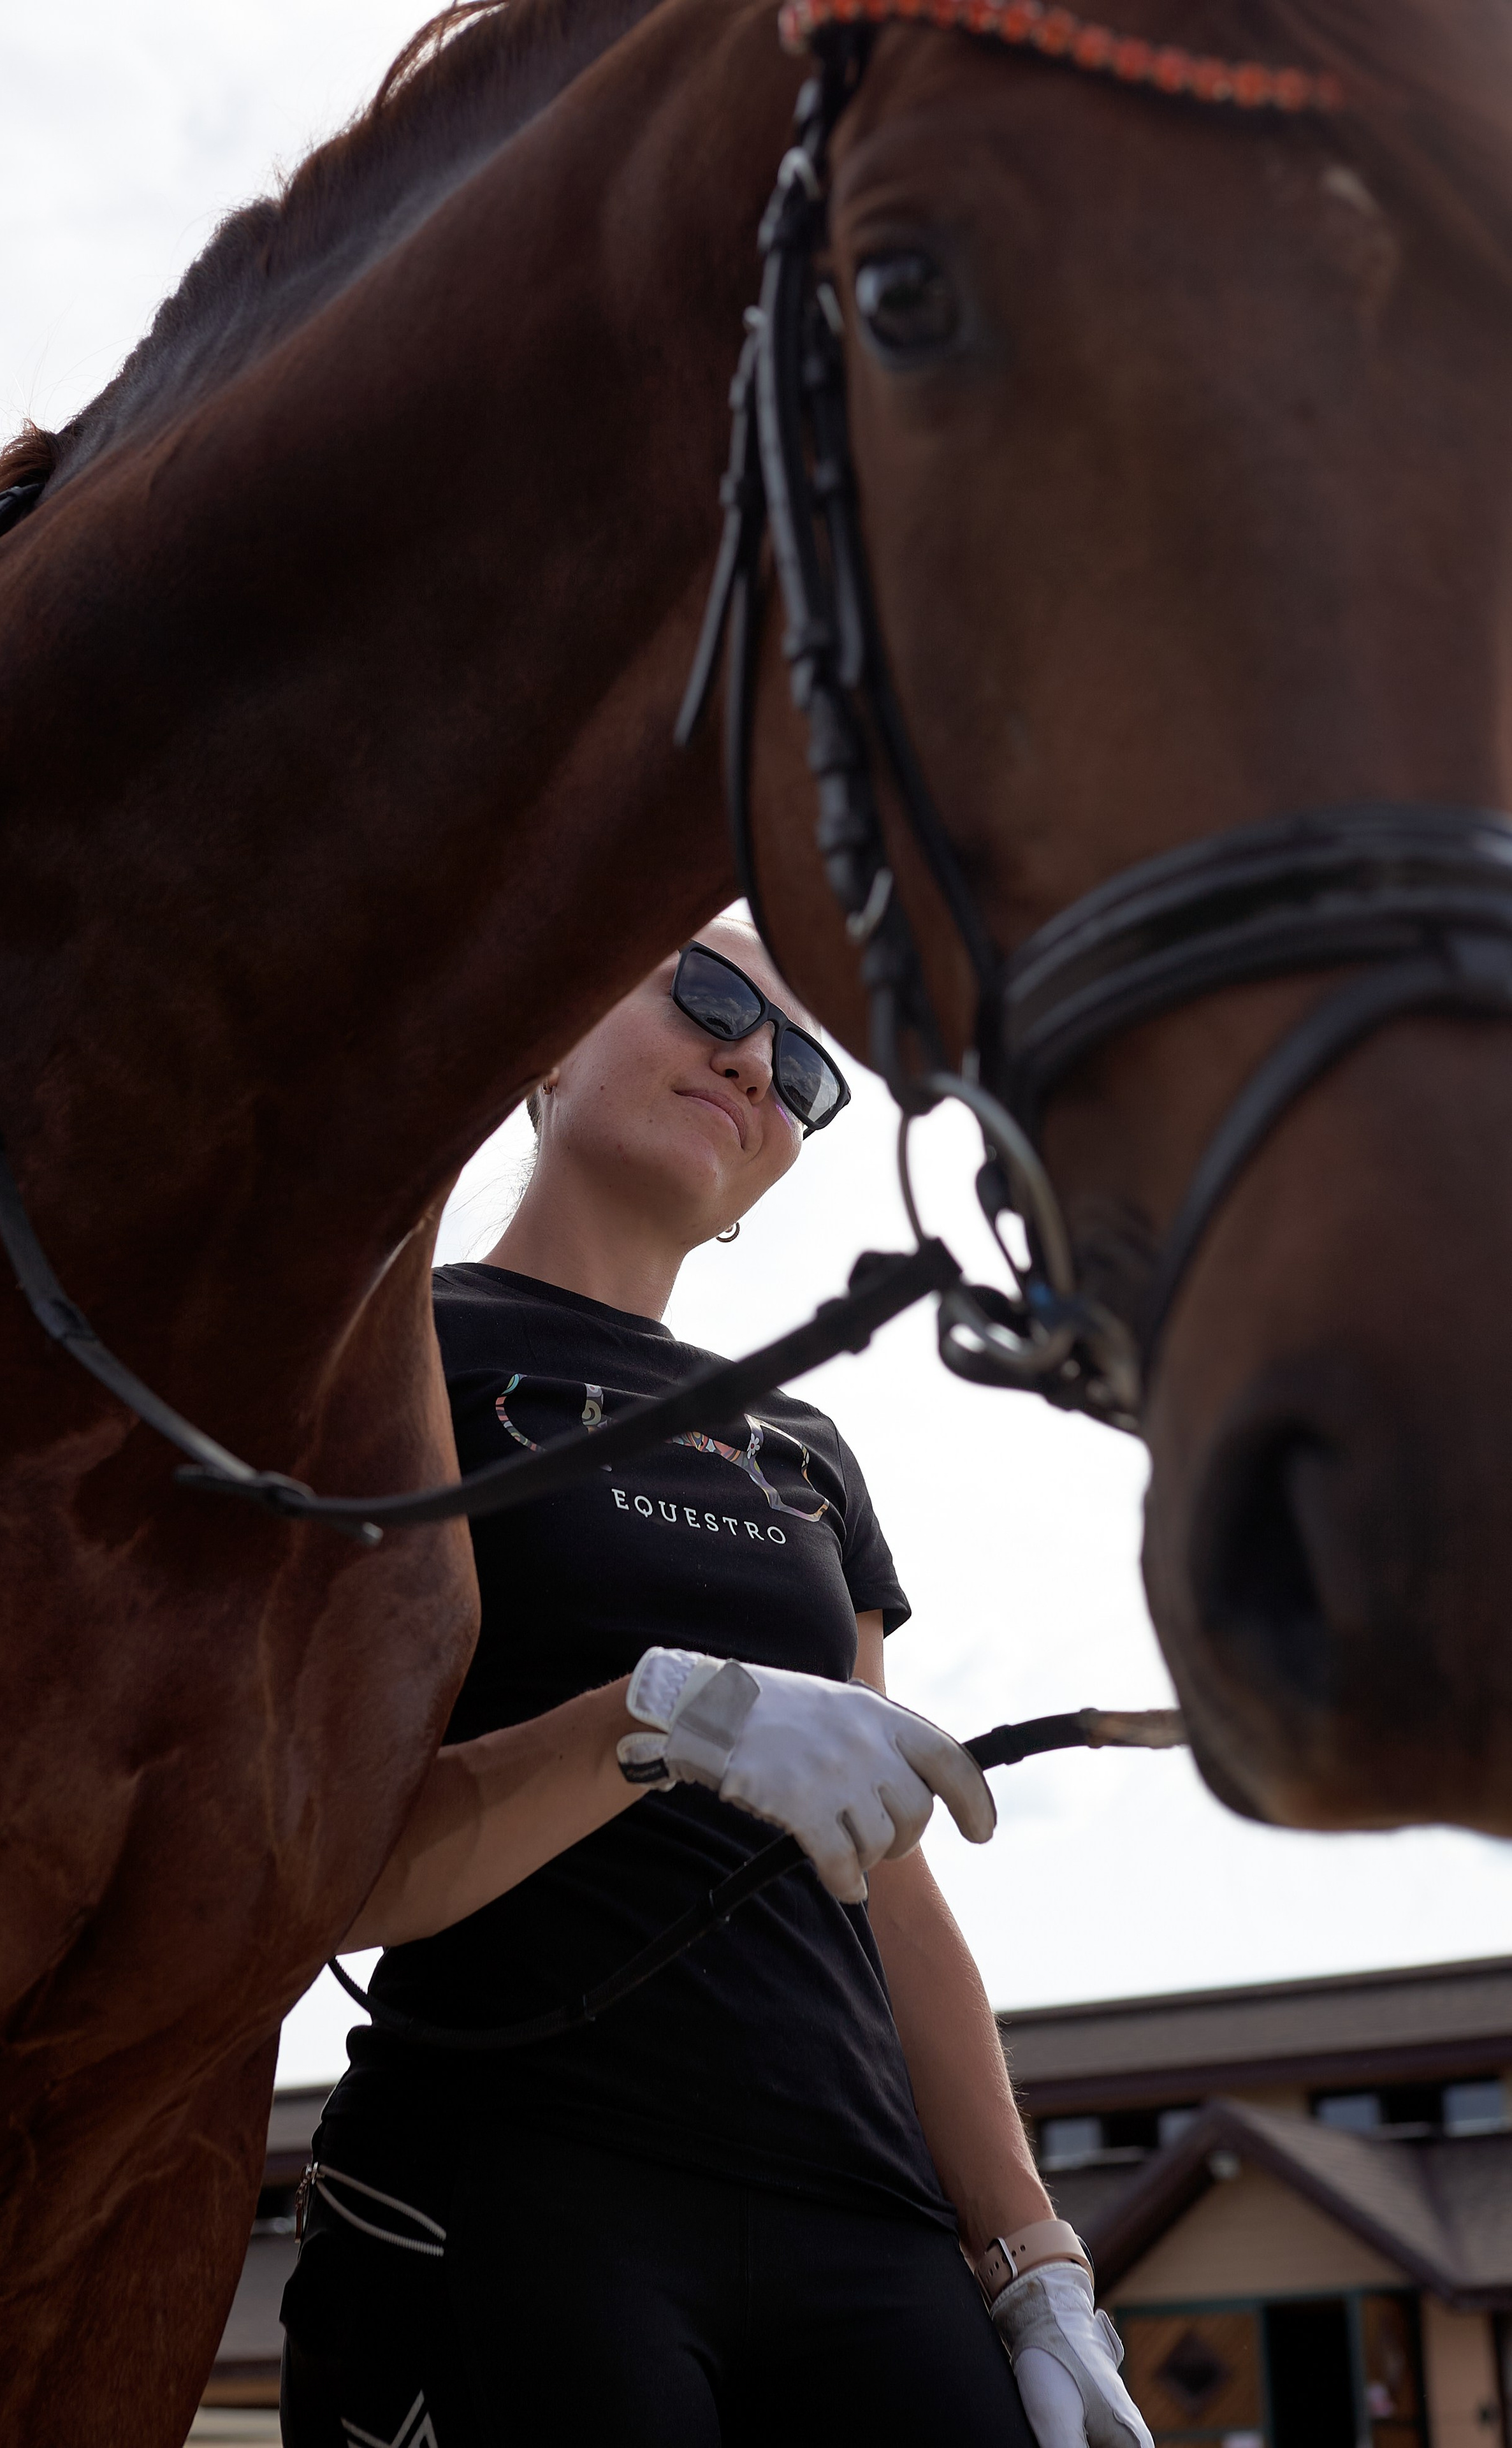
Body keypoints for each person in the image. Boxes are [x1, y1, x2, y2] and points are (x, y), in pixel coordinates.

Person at [280, 918, 1152, 2448]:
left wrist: (1031, 2263)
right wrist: (645, 1717)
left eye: (802, 1070)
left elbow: (889, 1881)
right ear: (543, 1040)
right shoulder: (385, 1357)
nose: (752, 1058)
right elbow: (320, 1875)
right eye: (706, 993)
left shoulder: (799, 1451)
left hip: (862, 2215)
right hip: (521, 2180)